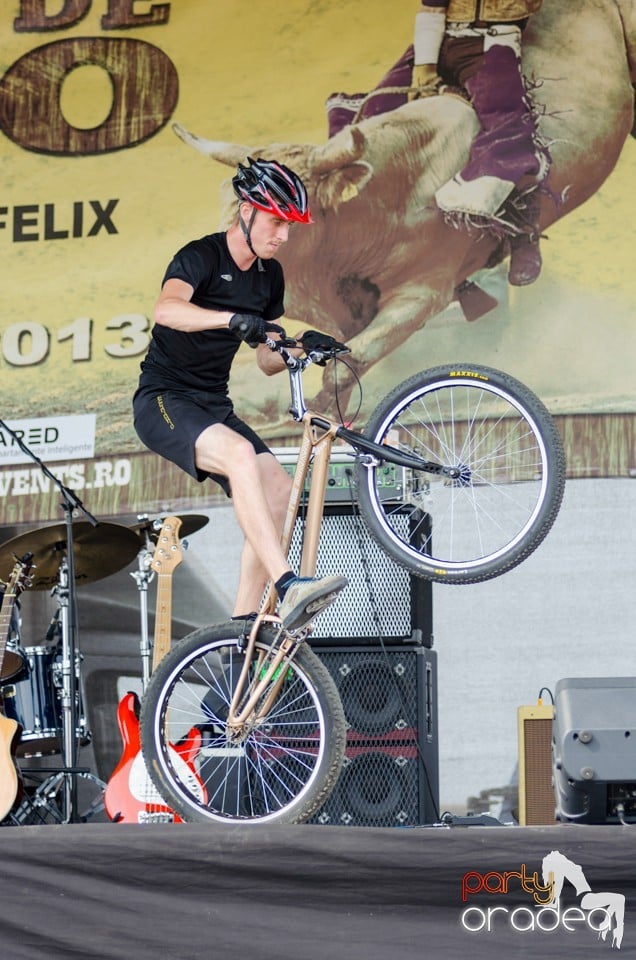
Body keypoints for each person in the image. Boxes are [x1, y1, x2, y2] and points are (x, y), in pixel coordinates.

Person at [133, 158, 348, 632]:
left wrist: (300, 346)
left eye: (289, 226)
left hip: (213, 404)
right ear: (247, 212)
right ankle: (289, 585)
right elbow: (167, 310)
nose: (283, 236)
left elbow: (267, 358)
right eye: (276, 222)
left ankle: (242, 627)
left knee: (280, 491)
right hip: (164, 400)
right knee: (239, 456)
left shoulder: (268, 277)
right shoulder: (201, 256)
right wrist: (227, 319)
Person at [411, 0, 547, 284]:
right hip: (443, 38)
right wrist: (424, 64)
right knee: (376, 108)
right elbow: (432, 7)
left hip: (492, 42)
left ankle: (523, 232)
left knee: (509, 127)